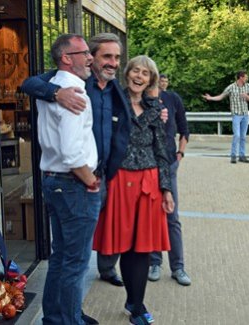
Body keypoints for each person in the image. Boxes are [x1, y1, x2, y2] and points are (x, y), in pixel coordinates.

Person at [22, 33, 127, 289]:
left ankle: (75, 303)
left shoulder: (116, 91)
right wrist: (57, 93)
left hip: (99, 175)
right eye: (106, 56)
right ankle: (71, 314)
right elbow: (28, 83)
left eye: (117, 57)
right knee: (74, 260)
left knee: (75, 252)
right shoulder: (75, 86)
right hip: (78, 179)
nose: (112, 63)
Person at [93, 55, 174, 325]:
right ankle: (132, 299)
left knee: (141, 248)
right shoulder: (112, 100)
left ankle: (136, 305)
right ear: (126, 74)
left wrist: (167, 189)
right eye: (135, 71)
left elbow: (162, 151)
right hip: (118, 181)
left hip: (149, 183)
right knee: (124, 245)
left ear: (151, 79)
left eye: (146, 73)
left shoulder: (156, 107)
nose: (139, 76)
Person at [37, 34, 102, 325]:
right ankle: (69, 320)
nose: (91, 58)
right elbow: (72, 150)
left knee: (61, 258)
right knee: (75, 263)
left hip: (54, 181)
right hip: (74, 184)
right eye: (84, 53)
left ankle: (57, 318)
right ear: (66, 58)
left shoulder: (53, 88)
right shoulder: (74, 90)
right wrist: (90, 180)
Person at [148, 74, 191, 286]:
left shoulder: (173, 98)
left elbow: (184, 129)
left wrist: (180, 154)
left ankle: (178, 267)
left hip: (169, 163)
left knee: (172, 216)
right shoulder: (141, 100)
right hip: (147, 166)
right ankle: (154, 262)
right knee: (152, 215)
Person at [202, 71, 249, 164]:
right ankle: (233, 155)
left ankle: (242, 155)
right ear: (241, 77)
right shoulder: (231, 87)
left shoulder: (247, 86)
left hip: (245, 114)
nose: (247, 78)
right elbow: (221, 96)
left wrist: (246, 96)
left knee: (243, 136)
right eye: (245, 77)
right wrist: (211, 98)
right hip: (236, 115)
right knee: (237, 135)